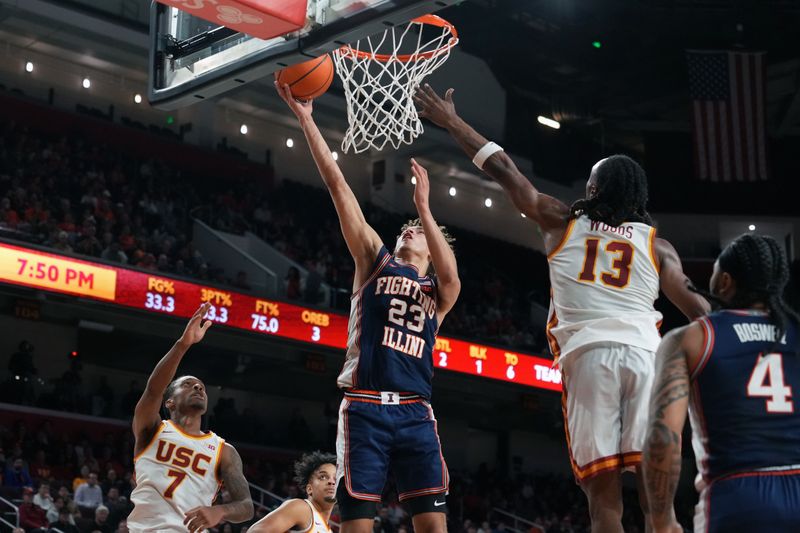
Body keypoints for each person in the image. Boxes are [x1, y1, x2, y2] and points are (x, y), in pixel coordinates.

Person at [414, 85, 709, 532]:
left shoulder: (561, 220)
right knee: (659, 505)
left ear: (594, 188)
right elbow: (702, 310)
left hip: (590, 359)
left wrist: (453, 121)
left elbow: (505, 169)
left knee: (604, 501)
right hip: (649, 360)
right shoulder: (660, 248)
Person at [277, 81, 461, 533]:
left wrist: (426, 208)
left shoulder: (439, 291)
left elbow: (453, 276)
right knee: (358, 526)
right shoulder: (375, 262)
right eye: (409, 227)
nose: (409, 230)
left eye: (417, 230)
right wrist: (307, 120)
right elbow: (339, 188)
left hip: (417, 411)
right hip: (364, 408)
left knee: (434, 528)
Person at [643, 234, 800, 532]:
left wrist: (662, 520)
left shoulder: (692, 338)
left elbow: (663, 437)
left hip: (738, 496)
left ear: (725, 281)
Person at [127, 303, 254, 532]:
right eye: (188, 385)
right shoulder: (152, 429)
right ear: (170, 402)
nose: (198, 387)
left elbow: (246, 506)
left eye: (202, 387)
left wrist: (220, 511)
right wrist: (183, 344)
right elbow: (153, 390)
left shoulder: (223, 451)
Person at [249, 451, 336, 533]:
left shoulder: (328, 529)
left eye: (336, 478)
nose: (332, 482)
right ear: (309, 489)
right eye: (323, 477)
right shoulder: (301, 508)